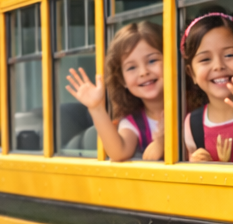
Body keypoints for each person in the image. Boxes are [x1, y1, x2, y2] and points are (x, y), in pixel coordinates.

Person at [65, 20, 166, 161]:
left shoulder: (193, 110)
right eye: (131, 67)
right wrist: (96, 108)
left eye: (152, 61)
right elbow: (119, 152)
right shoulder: (134, 122)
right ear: (122, 80)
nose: (143, 72)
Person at [183, 11, 233, 164]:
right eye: (205, 59)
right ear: (191, 73)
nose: (218, 66)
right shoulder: (193, 123)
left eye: (229, 55)